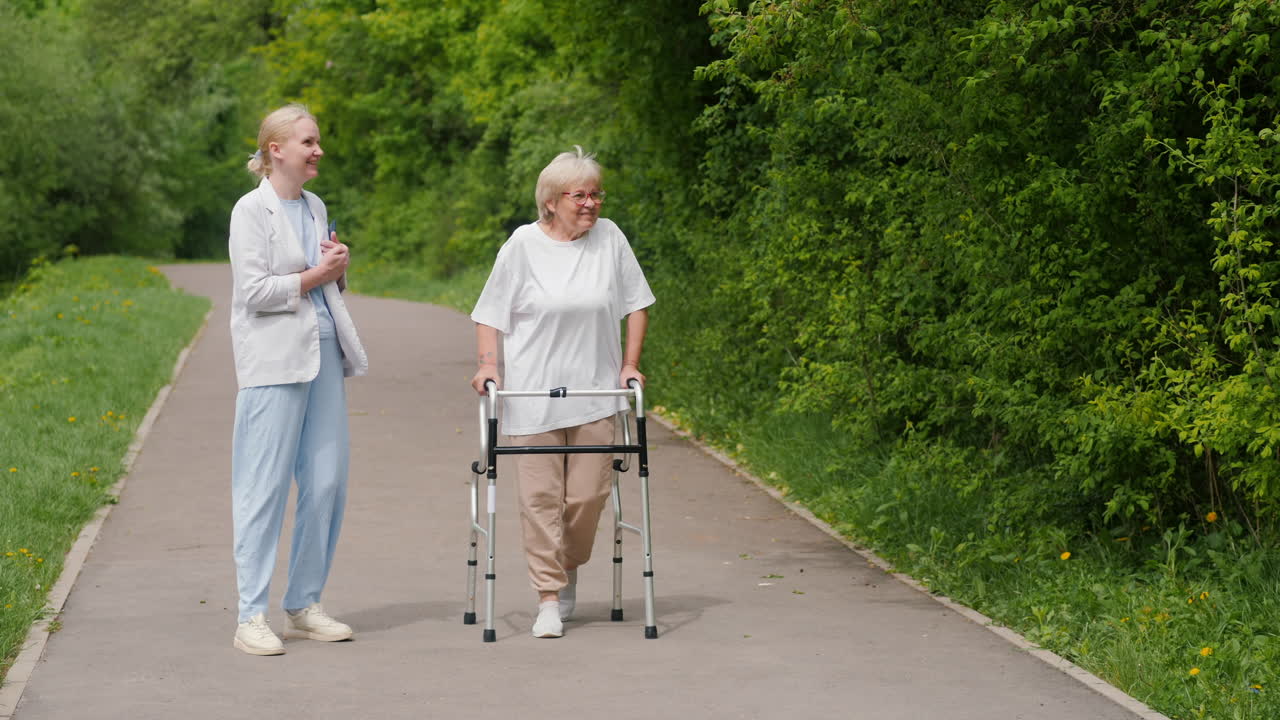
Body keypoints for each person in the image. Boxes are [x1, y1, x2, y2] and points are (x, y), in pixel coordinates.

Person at [470, 146, 655, 638]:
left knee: (588, 498)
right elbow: (490, 312)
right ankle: (548, 598)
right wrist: (489, 367)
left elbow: (636, 304)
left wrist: (630, 364)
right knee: (539, 500)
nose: (592, 203)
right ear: (551, 200)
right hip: (532, 396)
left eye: (596, 194)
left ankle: (567, 565)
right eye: (580, 195)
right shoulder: (522, 246)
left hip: (596, 394)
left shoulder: (610, 239)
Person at [226, 104, 368, 656]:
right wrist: (317, 275)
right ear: (275, 149)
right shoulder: (250, 211)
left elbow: (326, 284)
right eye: (309, 141)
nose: (319, 150)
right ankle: (249, 616)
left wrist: (339, 266)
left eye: (318, 141)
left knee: (327, 483)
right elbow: (255, 293)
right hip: (273, 363)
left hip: (324, 354)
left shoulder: (314, 206)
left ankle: (304, 604)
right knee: (262, 488)